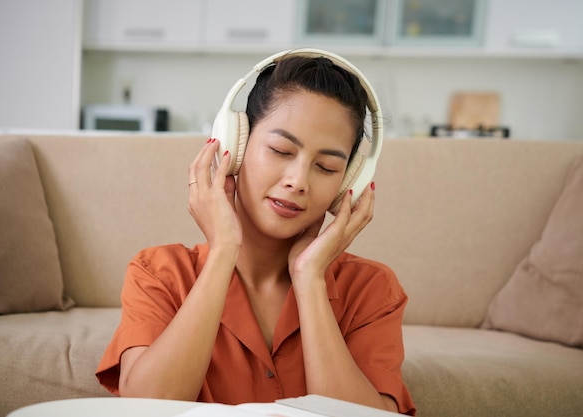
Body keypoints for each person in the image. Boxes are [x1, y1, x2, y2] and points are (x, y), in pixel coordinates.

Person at [96, 49, 416, 415]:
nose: (298, 182)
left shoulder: (371, 290)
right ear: (236, 147)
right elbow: (146, 408)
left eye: (326, 167)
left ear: (350, 182)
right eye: (281, 150)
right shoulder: (158, 273)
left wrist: (309, 279)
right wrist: (223, 251)